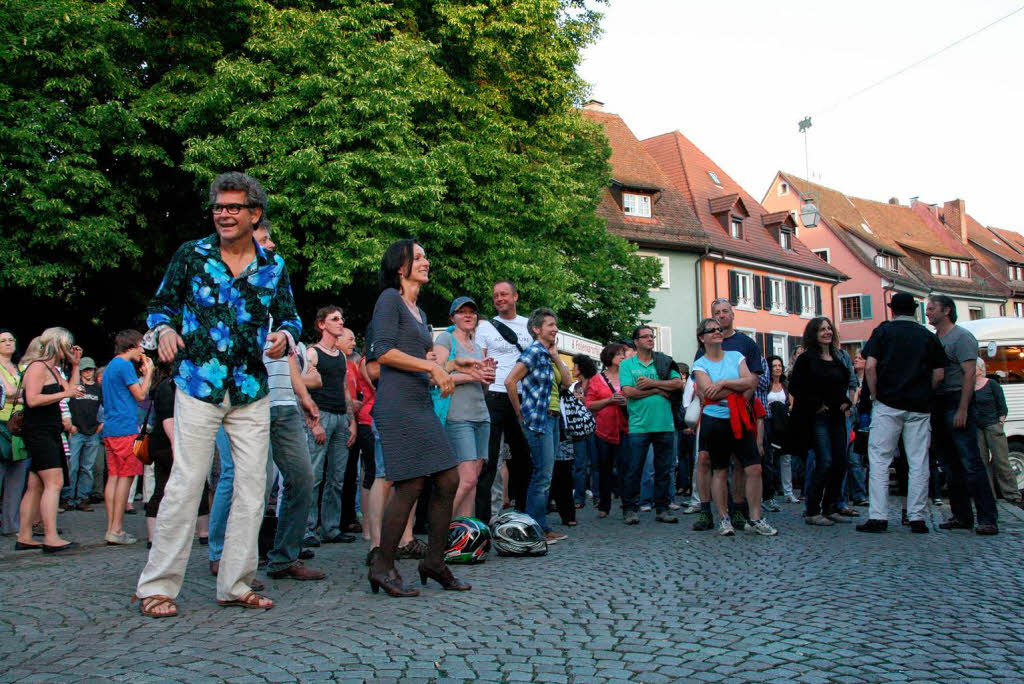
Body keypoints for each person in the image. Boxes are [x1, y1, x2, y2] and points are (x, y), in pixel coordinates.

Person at [134, 172, 302, 617]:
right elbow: (159, 306)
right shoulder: (192, 254)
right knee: (187, 484)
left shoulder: (273, 267)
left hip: (250, 389)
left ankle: (236, 583)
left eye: (233, 207)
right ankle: (157, 586)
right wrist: (165, 329)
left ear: (255, 214)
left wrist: (285, 335)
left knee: (253, 489)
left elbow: (291, 317)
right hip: (197, 385)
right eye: (218, 207)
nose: (223, 214)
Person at [367, 239, 475, 597]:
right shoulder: (389, 300)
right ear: (401, 267)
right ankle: (382, 565)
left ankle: (433, 561)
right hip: (397, 404)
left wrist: (452, 364)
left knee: (447, 478)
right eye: (418, 257)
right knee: (410, 484)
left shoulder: (419, 311)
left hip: (418, 400)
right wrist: (430, 365)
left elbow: (417, 357)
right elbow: (382, 352)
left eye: (426, 256)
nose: (426, 262)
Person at [855, 292, 946, 533]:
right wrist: (925, 392)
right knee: (919, 461)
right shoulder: (928, 336)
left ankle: (878, 516)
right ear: (915, 310)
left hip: (888, 403)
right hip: (919, 406)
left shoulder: (883, 332)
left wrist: (874, 395)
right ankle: (916, 516)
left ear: (892, 309)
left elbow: (871, 367)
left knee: (879, 460)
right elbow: (939, 374)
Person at [691, 319, 776, 536]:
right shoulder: (700, 364)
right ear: (702, 337)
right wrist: (733, 386)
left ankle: (755, 518)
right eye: (712, 330)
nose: (718, 332)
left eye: (719, 329)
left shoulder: (736, 356)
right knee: (719, 469)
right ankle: (723, 517)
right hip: (715, 420)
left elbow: (751, 382)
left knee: (753, 467)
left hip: (740, 417)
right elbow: (708, 392)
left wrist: (722, 384)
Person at [926, 295, 998, 535]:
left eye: (931, 308)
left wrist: (964, 409)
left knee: (971, 462)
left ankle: (987, 518)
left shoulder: (962, 337)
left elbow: (969, 374)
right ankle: (961, 515)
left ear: (946, 310)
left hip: (957, 399)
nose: (927, 313)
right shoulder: (936, 339)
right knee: (949, 464)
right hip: (940, 401)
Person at [505, 307, 572, 543]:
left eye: (555, 325)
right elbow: (510, 381)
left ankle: (539, 526)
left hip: (553, 419)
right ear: (536, 329)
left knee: (546, 473)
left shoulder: (546, 353)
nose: (555, 329)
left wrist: (555, 355)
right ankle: (537, 529)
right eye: (550, 325)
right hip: (539, 419)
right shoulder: (533, 352)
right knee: (542, 474)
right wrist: (520, 413)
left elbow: (567, 381)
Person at [15, 327, 82, 553]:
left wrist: (75, 365)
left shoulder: (53, 369)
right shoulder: (37, 367)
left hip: (49, 431)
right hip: (40, 431)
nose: (71, 349)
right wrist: (64, 394)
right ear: (59, 344)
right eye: (68, 345)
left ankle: (25, 535)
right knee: (54, 483)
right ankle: (51, 537)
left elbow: (72, 390)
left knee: (36, 485)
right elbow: (32, 399)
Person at [474, 280, 534, 522]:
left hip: (522, 395)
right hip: (495, 395)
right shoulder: (485, 327)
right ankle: (483, 519)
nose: (499, 299)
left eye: (504, 294)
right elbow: (481, 360)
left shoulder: (528, 325)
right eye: (495, 296)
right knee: (489, 459)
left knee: (523, 458)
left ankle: (524, 514)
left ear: (515, 297)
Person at [433, 296, 494, 518]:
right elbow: (437, 375)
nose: (468, 315)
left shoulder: (478, 348)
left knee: (473, 482)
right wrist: (470, 375)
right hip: (458, 416)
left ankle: (465, 536)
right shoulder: (446, 340)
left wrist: (487, 377)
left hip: (481, 414)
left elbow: (482, 386)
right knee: (466, 479)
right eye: (462, 312)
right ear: (452, 317)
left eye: (472, 312)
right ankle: (440, 528)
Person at [789, 317, 852, 526]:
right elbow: (796, 386)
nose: (827, 332)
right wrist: (816, 404)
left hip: (837, 416)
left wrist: (845, 402)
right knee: (824, 461)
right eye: (822, 329)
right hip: (818, 417)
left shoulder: (837, 357)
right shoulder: (807, 359)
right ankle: (812, 510)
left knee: (840, 461)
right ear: (814, 334)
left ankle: (831, 506)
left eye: (828, 329)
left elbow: (842, 384)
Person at [304, 306, 358, 546]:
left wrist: (352, 422)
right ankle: (307, 529)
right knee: (314, 476)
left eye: (341, 318)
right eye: (334, 319)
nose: (340, 322)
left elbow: (346, 390)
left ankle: (331, 528)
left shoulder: (342, 356)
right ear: (321, 324)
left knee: (337, 477)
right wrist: (313, 422)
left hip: (340, 418)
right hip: (321, 416)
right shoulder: (312, 354)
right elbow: (302, 389)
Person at [619, 325, 682, 525]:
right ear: (636, 342)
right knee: (634, 469)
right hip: (639, 425)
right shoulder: (627, 365)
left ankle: (662, 509)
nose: (650, 339)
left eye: (651, 336)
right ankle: (630, 508)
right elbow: (629, 392)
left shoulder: (664, 361)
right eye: (645, 337)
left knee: (663, 469)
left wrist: (652, 384)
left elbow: (678, 384)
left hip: (664, 424)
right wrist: (658, 390)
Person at [145, 360, 212, 546]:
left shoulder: (162, 386)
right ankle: (203, 532)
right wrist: (178, 447)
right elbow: (169, 420)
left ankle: (154, 537)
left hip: (160, 444)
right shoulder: (170, 387)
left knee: (162, 487)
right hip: (170, 444)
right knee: (197, 486)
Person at [101, 330, 154, 545]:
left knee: (114, 476)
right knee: (126, 476)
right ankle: (117, 529)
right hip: (125, 427)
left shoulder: (111, 366)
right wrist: (148, 372)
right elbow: (141, 395)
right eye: (141, 345)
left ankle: (111, 527)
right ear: (131, 345)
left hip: (112, 427)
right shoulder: (124, 366)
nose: (142, 349)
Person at [585, 343, 628, 518]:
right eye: (619, 354)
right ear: (609, 357)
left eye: (623, 354)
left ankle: (628, 505)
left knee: (626, 468)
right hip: (604, 430)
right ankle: (604, 505)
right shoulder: (597, 379)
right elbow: (589, 404)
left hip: (626, 428)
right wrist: (609, 400)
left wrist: (627, 402)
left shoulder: (628, 376)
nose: (623, 357)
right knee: (605, 469)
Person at [974, 359, 1021, 506]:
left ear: (980, 369)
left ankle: (1012, 494)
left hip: (992, 424)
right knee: (982, 462)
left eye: (973, 366)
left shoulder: (991, 384)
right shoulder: (968, 386)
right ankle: (989, 494)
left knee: (1001, 460)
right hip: (977, 426)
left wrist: (1000, 422)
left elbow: (1002, 406)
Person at [63, 356, 103, 512]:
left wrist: (102, 424)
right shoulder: (75, 386)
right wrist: (70, 425)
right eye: (85, 369)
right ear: (80, 371)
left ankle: (82, 498)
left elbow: (106, 407)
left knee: (88, 467)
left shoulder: (98, 389)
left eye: (90, 369)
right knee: (72, 466)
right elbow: (65, 403)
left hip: (92, 432)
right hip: (76, 431)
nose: (88, 372)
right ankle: (68, 498)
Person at [0, 329, 28, 536]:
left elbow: (21, 394)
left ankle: (11, 524)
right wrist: (22, 396)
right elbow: (9, 391)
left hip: (20, 426)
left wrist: (19, 397)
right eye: (3, 340)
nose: (9, 343)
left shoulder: (20, 368)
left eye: (11, 339)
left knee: (17, 477)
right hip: (2, 425)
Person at [765, 356, 798, 504]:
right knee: (769, 458)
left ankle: (788, 491)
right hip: (770, 422)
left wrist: (784, 409)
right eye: (774, 366)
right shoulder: (765, 385)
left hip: (784, 423)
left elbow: (791, 404)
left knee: (786, 458)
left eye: (779, 365)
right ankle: (769, 491)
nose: (778, 368)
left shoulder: (785, 385)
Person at [570, 354, 599, 511]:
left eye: (575, 366)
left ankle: (598, 497)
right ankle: (579, 497)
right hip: (580, 428)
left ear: (582, 367)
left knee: (596, 464)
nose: (573, 368)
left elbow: (589, 403)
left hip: (595, 427)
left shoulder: (595, 382)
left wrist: (583, 401)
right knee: (580, 465)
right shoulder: (576, 386)